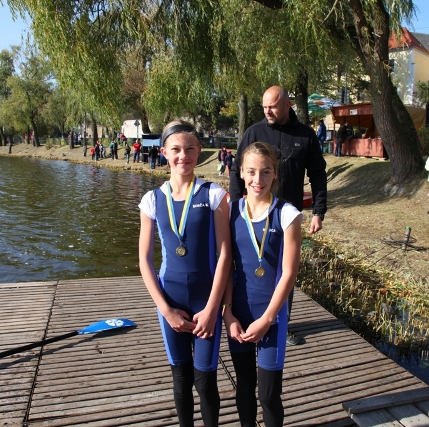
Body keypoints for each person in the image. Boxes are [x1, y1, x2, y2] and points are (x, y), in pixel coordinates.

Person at [138, 121, 232, 427]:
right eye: (176, 149)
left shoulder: (214, 194)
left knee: (205, 380)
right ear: (164, 152)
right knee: (180, 379)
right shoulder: (152, 200)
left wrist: (213, 309)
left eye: (190, 149)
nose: (184, 155)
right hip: (171, 303)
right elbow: (144, 262)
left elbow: (225, 255)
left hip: (207, 304)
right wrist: (166, 311)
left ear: (199, 151)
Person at [229, 85, 327, 346]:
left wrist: (318, 211)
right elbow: (237, 170)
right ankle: (243, 316)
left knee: (285, 271)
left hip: (285, 219)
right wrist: (236, 207)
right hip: (252, 215)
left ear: (287, 105)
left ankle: (282, 323)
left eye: (272, 106)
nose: (267, 111)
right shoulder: (254, 132)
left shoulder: (305, 135)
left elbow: (318, 174)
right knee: (246, 267)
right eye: (264, 107)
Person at [222, 142, 302, 427]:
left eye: (266, 172)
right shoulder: (230, 212)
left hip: (272, 320)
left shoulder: (288, 214)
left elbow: (289, 273)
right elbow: (226, 266)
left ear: (275, 174)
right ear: (241, 173)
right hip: (238, 316)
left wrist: (267, 319)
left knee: (268, 395)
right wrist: (227, 313)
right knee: (244, 388)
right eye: (252, 171)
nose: (258, 179)